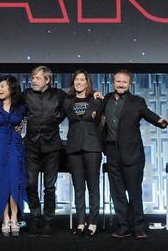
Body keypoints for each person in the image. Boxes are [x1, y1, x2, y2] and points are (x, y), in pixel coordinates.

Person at [97, 69, 168, 239]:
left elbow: (147, 113)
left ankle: (138, 226)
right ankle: (123, 226)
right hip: (112, 151)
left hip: (132, 153)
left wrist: (159, 121)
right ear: (113, 82)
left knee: (134, 191)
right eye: (118, 82)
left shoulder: (137, 101)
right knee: (118, 192)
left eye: (124, 82)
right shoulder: (106, 99)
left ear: (130, 84)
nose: (121, 84)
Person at [22, 65, 67, 235]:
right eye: (33, 77)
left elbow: (77, 95)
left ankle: (48, 220)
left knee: (49, 186)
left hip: (51, 146)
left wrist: (94, 94)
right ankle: (35, 217)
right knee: (31, 183)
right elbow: (10, 97)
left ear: (47, 80)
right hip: (31, 146)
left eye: (37, 78)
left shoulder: (59, 95)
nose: (33, 80)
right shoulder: (26, 95)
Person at [62, 70, 102, 236]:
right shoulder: (67, 101)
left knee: (93, 186)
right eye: (76, 80)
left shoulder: (97, 99)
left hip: (92, 146)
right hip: (73, 147)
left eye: (82, 79)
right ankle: (80, 222)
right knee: (78, 187)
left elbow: (102, 120)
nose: (79, 82)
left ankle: (93, 222)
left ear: (87, 82)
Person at [0, 75, 27, 237]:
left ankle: (14, 217)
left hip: (15, 147)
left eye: (3, 86)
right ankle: (5, 218)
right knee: (0, 180)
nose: (0, 89)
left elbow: (26, 125)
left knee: (14, 180)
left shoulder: (21, 107)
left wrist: (22, 127)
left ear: (12, 88)